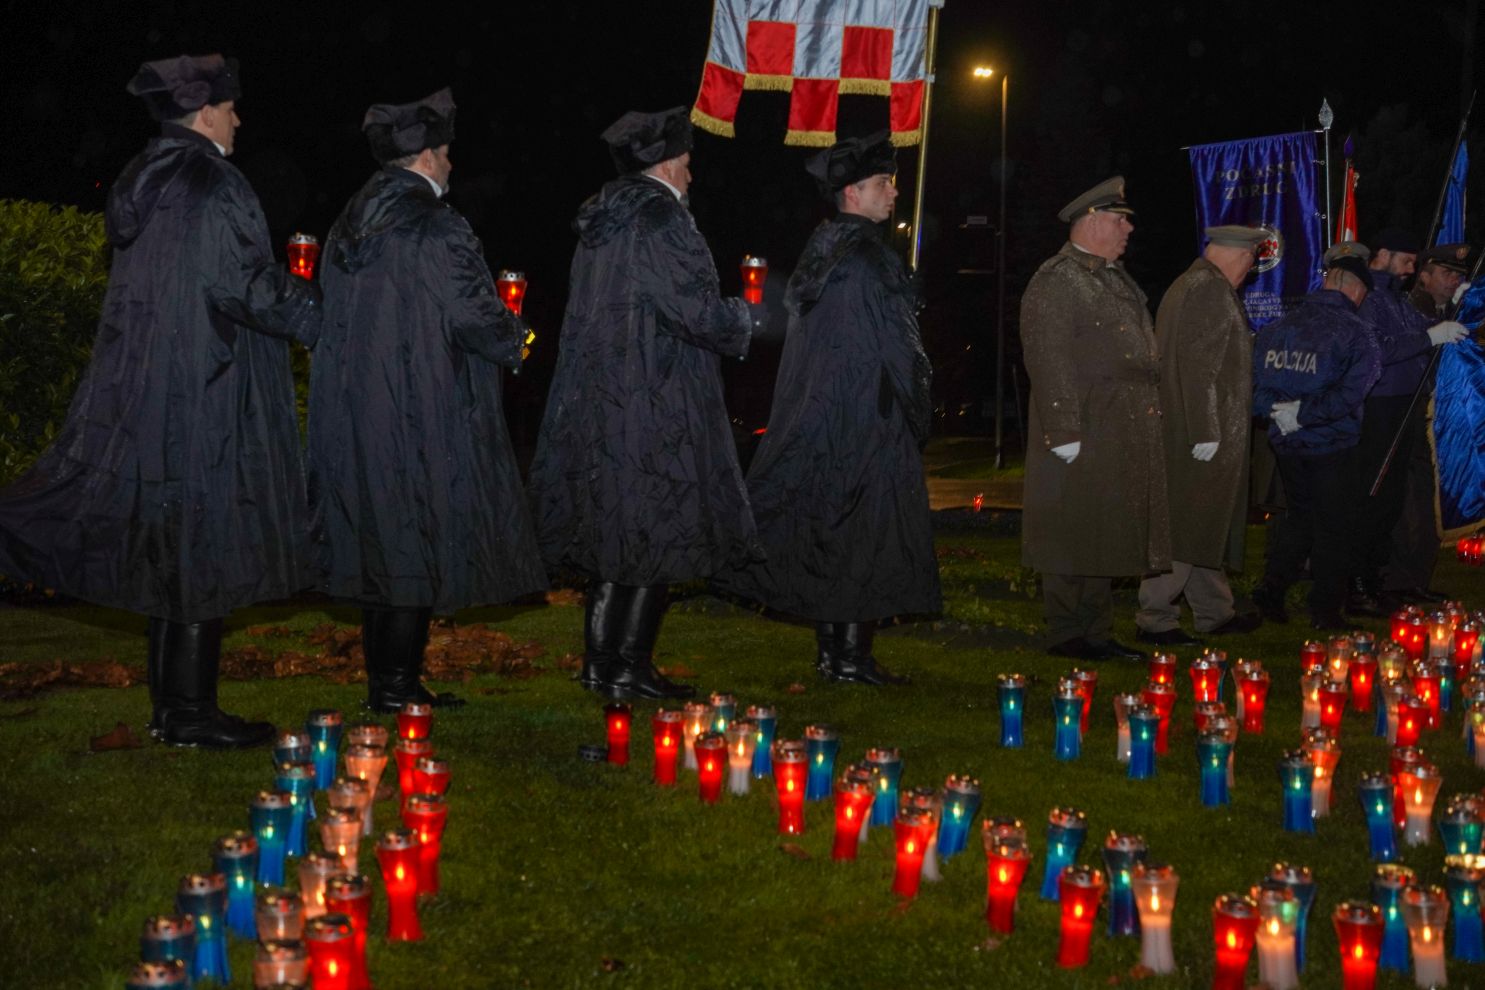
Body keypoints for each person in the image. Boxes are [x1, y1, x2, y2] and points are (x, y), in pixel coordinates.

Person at [0, 55, 321, 747]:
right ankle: (190, 714)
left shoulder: (148, 180)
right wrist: (318, 310)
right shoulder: (212, 181)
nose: (237, 119)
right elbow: (245, 287)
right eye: (231, 107)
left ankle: (173, 710)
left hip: (156, 391)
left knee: (174, 552)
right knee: (200, 549)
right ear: (205, 112)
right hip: (206, 391)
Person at [309, 88, 546, 713]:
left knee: (381, 540)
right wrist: (517, 334)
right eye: (445, 153)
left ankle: (389, 682)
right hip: (419, 403)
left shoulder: (347, 225)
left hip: (358, 407)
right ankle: (395, 687)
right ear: (428, 157)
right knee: (411, 536)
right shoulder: (437, 225)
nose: (450, 164)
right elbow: (473, 314)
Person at [527, 107, 766, 701]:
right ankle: (628, 666)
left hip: (604, 399)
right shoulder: (662, 220)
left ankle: (599, 664)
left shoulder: (607, 223)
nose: (691, 172)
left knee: (618, 538)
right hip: (657, 399)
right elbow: (694, 312)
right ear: (663, 161)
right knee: (656, 533)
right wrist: (745, 317)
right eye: (686, 160)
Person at [715, 132, 938, 685]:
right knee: (866, 535)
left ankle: (834, 653)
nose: (893, 193)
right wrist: (919, 410)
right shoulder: (869, 259)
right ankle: (852, 657)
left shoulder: (824, 250)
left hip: (827, 416)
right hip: (870, 420)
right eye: (884, 184)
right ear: (854, 192)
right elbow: (901, 349)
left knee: (833, 531)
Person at [1020, 176, 1169, 661]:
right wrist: (1062, 428)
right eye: (1119, 218)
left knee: (1102, 528)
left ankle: (1097, 632)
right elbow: (1047, 354)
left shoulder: (1109, 277)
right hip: (1083, 423)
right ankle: (1068, 632)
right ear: (1091, 220)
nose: (1128, 228)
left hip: (1117, 424)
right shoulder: (1059, 278)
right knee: (1070, 528)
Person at [1135, 226, 1266, 646]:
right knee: (1187, 522)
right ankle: (1156, 616)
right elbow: (1198, 366)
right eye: (1251, 260)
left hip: (1186, 426)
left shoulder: (1188, 284)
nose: (1250, 270)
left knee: (1202, 519)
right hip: (1201, 432)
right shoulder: (1210, 290)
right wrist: (1206, 429)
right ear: (1237, 255)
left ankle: (1214, 610)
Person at [1250, 251, 1382, 630]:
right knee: (1334, 527)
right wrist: (1303, 413)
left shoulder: (1277, 327)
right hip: (1332, 446)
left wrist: (1282, 414)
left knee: (1299, 519)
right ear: (1357, 291)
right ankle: (1325, 610)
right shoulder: (1359, 334)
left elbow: (1255, 388)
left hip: (1287, 444)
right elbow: (1349, 396)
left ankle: (1271, 593)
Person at [1351, 228, 1469, 613]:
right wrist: (1433, 335)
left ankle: (1394, 582)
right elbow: (1380, 348)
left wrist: (1460, 313)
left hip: (1415, 413)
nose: (1410, 267)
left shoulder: (1394, 298)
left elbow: (1423, 336)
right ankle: (1366, 584)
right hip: (1387, 409)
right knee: (1383, 503)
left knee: (1407, 502)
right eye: (1408, 261)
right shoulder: (1376, 299)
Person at [1386, 242, 1476, 603]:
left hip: (1436, 425)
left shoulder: (1445, 309)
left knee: (1427, 504)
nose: (1454, 280)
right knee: (1411, 504)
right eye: (1447, 273)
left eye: (1458, 276)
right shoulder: (1413, 310)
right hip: (1408, 419)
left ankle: (1414, 579)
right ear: (1423, 276)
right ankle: (1398, 581)